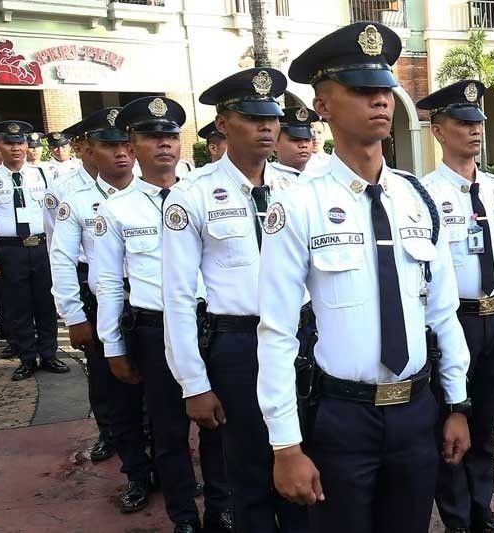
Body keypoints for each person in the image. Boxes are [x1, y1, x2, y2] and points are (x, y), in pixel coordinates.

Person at [257, 22, 471, 533]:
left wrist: (457, 402)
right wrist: (285, 443)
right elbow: (277, 330)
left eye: (384, 89)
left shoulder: (417, 198)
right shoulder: (298, 204)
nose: (380, 101)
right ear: (323, 106)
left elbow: (442, 311)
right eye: (361, 90)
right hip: (342, 417)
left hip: (417, 412)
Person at [162, 67, 309, 533]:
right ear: (223, 123)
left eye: (272, 118)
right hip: (240, 344)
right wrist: (193, 384)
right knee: (248, 470)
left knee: (306, 457)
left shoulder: (296, 188)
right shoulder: (192, 195)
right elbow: (179, 297)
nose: (267, 127)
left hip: (303, 337)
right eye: (252, 117)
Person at [91, 96, 233, 532]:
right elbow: (109, 283)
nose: (164, 145)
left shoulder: (207, 195)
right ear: (132, 147)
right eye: (152, 137)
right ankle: (184, 517)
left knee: (220, 425)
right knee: (170, 430)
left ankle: (221, 510)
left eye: (170, 135)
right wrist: (113, 346)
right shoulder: (116, 210)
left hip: (213, 323)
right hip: (155, 329)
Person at [418, 80, 494, 533]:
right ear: (439, 132)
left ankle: (482, 513)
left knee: (486, 426)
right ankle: (458, 520)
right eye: (463, 122)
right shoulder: (424, 195)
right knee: (450, 425)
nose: (475, 129)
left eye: (477, 121)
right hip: (452, 321)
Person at [49, 107, 157, 511]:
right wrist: (75, 316)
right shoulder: (75, 201)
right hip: (104, 308)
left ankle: (167, 468)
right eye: (107, 146)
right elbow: (61, 260)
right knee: (119, 395)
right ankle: (137, 474)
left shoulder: (162, 194)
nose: (119, 155)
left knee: (162, 397)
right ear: (89, 150)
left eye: (122, 145)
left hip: (154, 306)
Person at [0, 120, 70, 381]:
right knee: (18, 305)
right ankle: (27, 358)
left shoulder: (44, 174)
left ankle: (49, 354)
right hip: (10, 250)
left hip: (42, 247)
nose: (16, 148)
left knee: (46, 302)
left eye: (21, 143)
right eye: (9, 143)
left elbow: (58, 213)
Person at [43, 120, 99, 247]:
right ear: (77, 148)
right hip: (83, 263)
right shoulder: (59, 187)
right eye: (105, 145)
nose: (120, 152)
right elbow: (55, 238)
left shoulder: (133, 182)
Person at [271, 106, 319, 179]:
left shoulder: (321, 177)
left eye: (307, 140)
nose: (303, 145)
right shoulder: (265, 178)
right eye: (295, 140)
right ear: (275, 144)